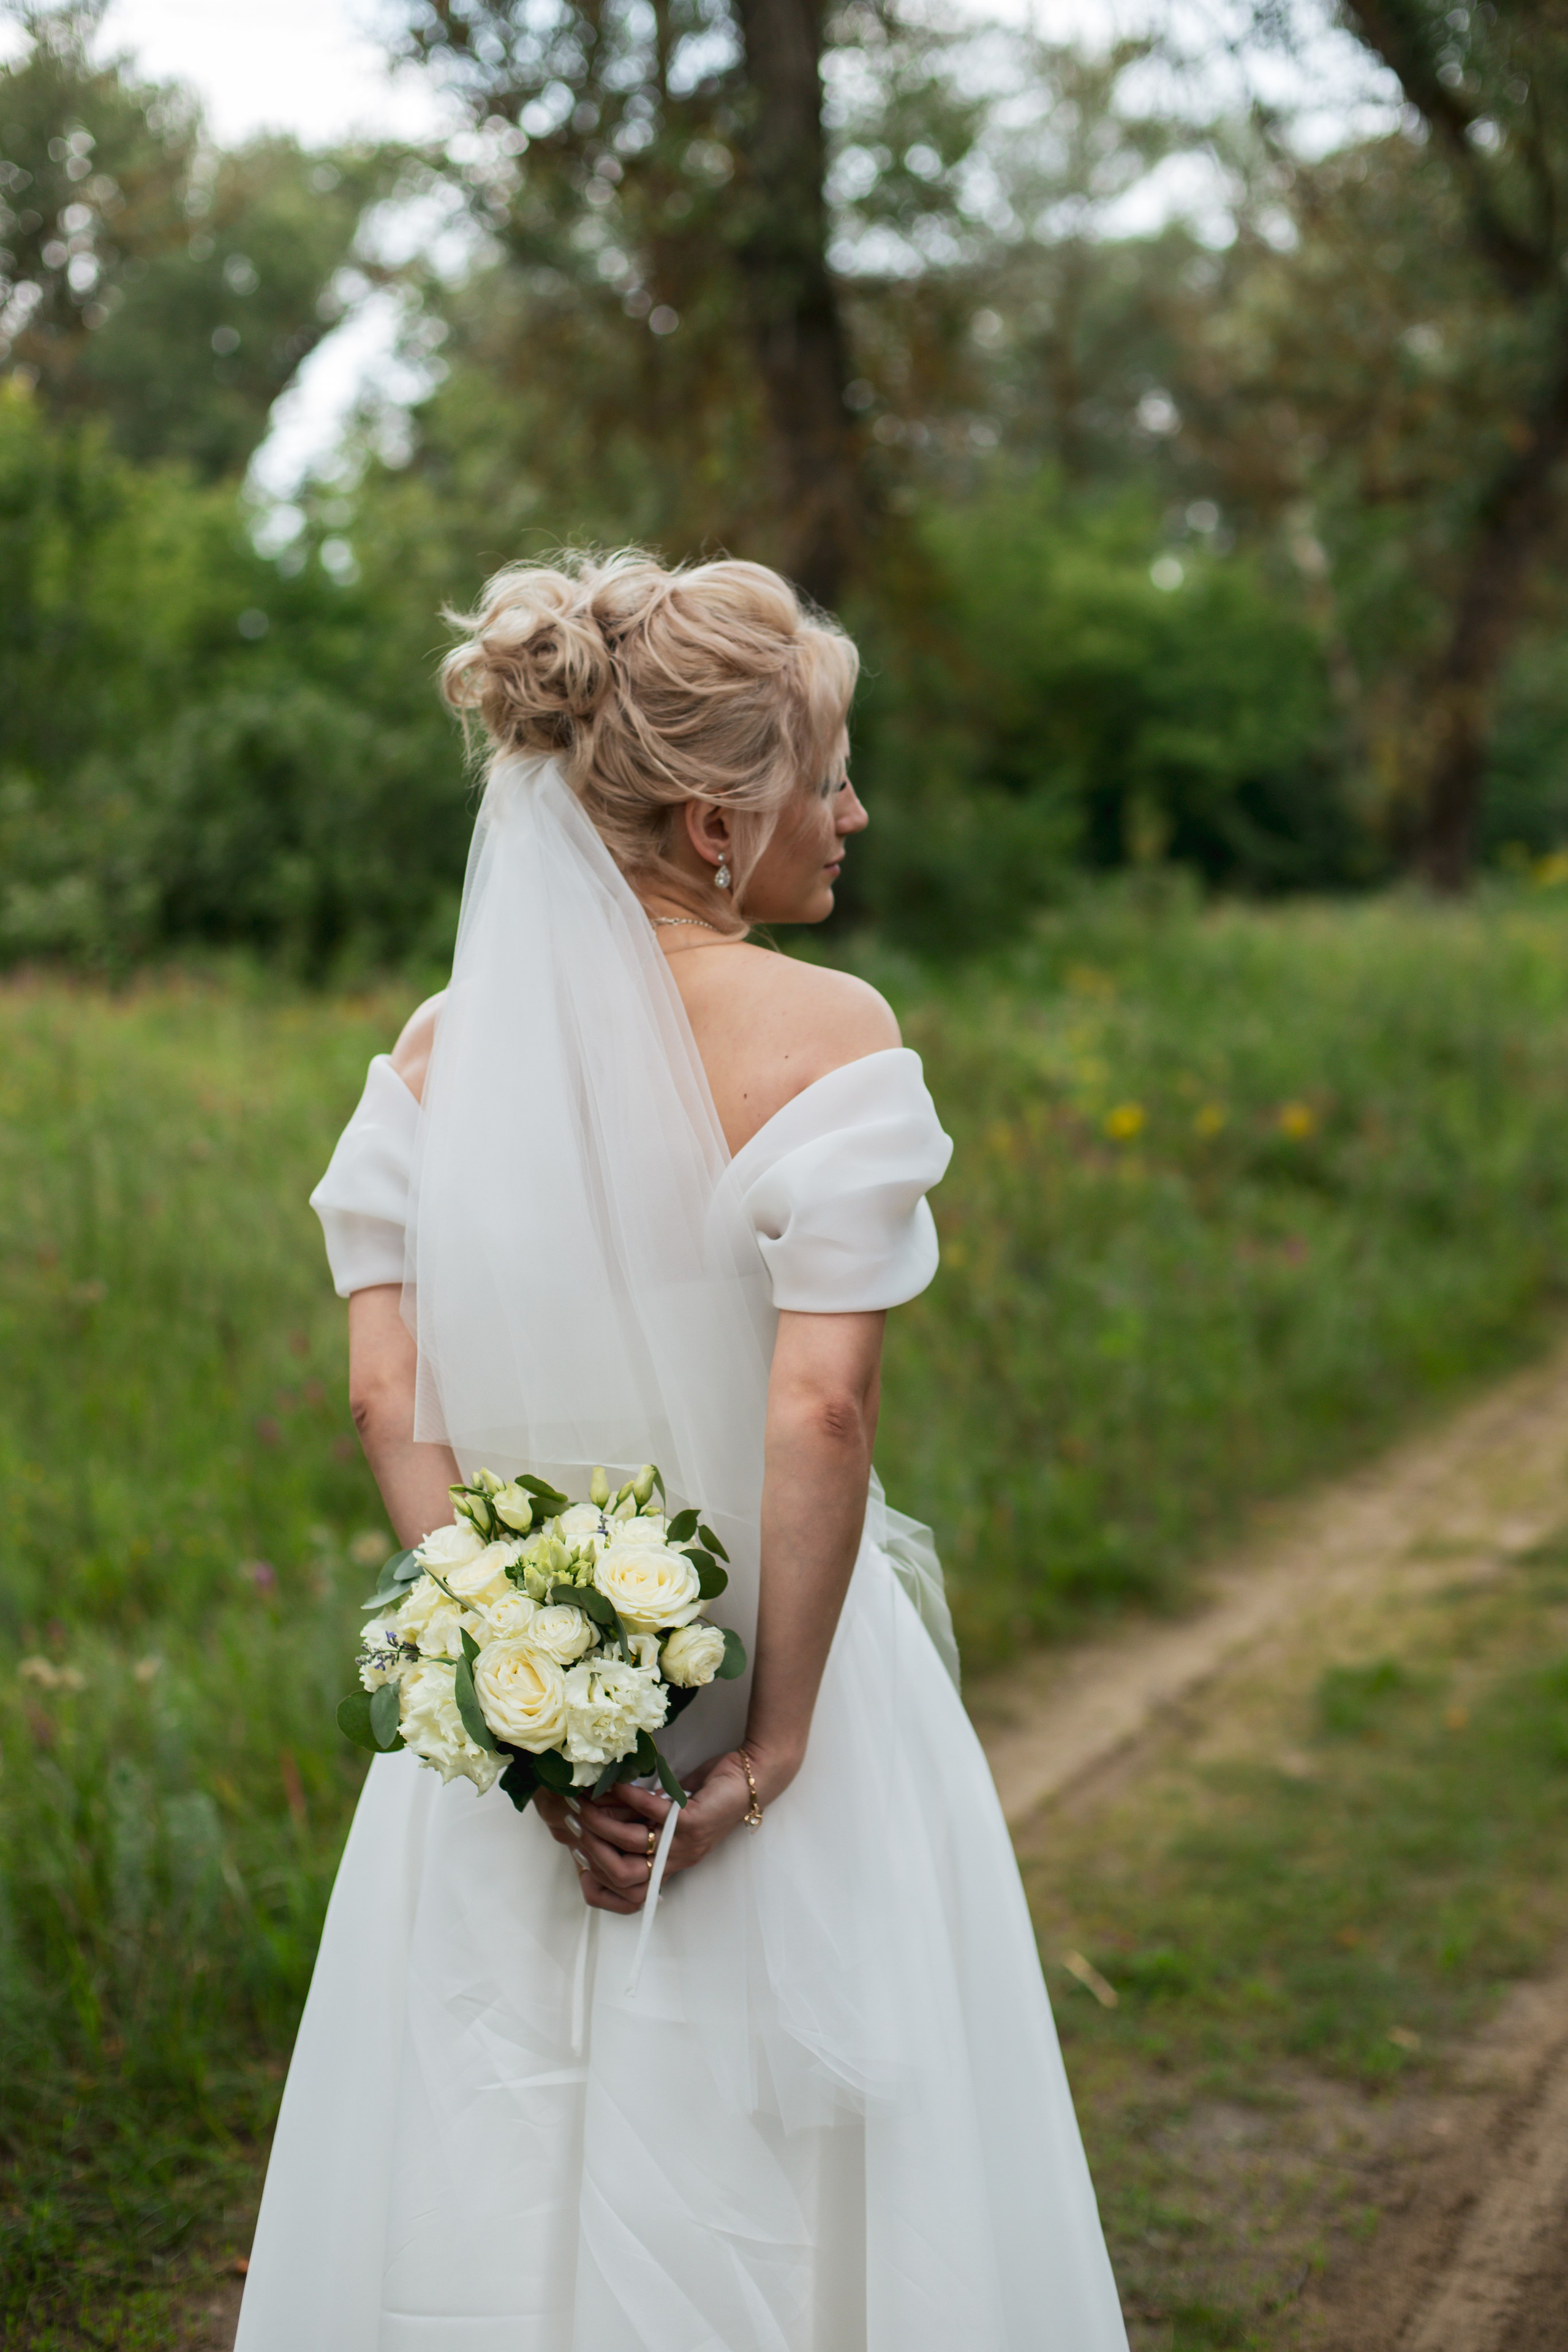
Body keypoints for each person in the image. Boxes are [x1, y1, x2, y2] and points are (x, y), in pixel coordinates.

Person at [234, 551, 1128, 2351]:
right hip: (778, 1673)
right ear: (721, 823)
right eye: (831, 773)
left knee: (494, 2153)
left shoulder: (434, 1050)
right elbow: (821, 1411)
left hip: (523, 1734)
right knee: (812, 2180)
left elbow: (380, 1393)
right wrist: (774, 1740)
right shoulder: (831, 1036)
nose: (855, 813)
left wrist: (522, 1678)